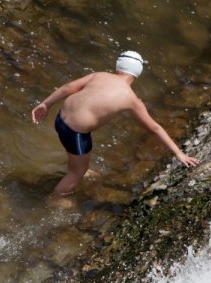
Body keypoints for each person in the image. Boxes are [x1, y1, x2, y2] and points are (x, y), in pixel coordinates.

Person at [31, 50, 200, 207]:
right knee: (77, 171)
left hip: (61, 119)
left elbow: (68, 88)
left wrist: (46, 104)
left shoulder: (99, 76)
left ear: (117, 65)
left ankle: (78, 166)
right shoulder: (131, 98)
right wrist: (179, 153)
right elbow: (154, 128)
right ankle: (56, 198)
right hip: (75, 133)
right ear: (138, 74)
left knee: (77, 155)